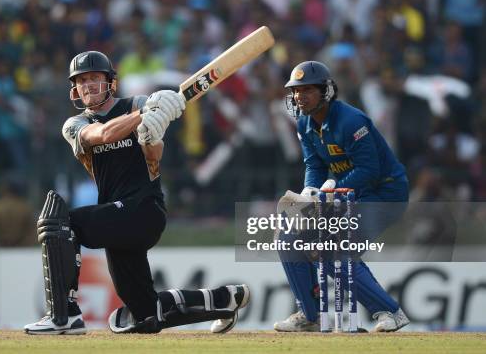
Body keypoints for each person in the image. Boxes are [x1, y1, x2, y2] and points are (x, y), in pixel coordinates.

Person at [24, 51, 249, 335]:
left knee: (61, 223)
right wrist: (144, 114)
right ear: (75, 89)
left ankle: (63, 316)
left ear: (111, 84)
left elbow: (155, 156)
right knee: (146, 314)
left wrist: (151, 137)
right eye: (82, 80)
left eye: (95, 78)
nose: (89, 85)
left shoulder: (136, 104)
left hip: (145, 209)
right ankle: (226, 298)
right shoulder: (74, 125)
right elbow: (103, 135)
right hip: (117, 217)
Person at [274, 61, 410, 332]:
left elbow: (369, 170)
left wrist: (330, 191)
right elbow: (314, 165)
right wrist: (310, 192)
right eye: (296, 91)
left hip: (385, 193)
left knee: (335, 248)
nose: (299, 97)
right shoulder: (304, 123)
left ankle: (390, 312)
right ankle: (309, 314)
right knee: (289, 237)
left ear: (326, 91)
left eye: (307, 90)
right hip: (345, 193)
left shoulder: (351, 121)